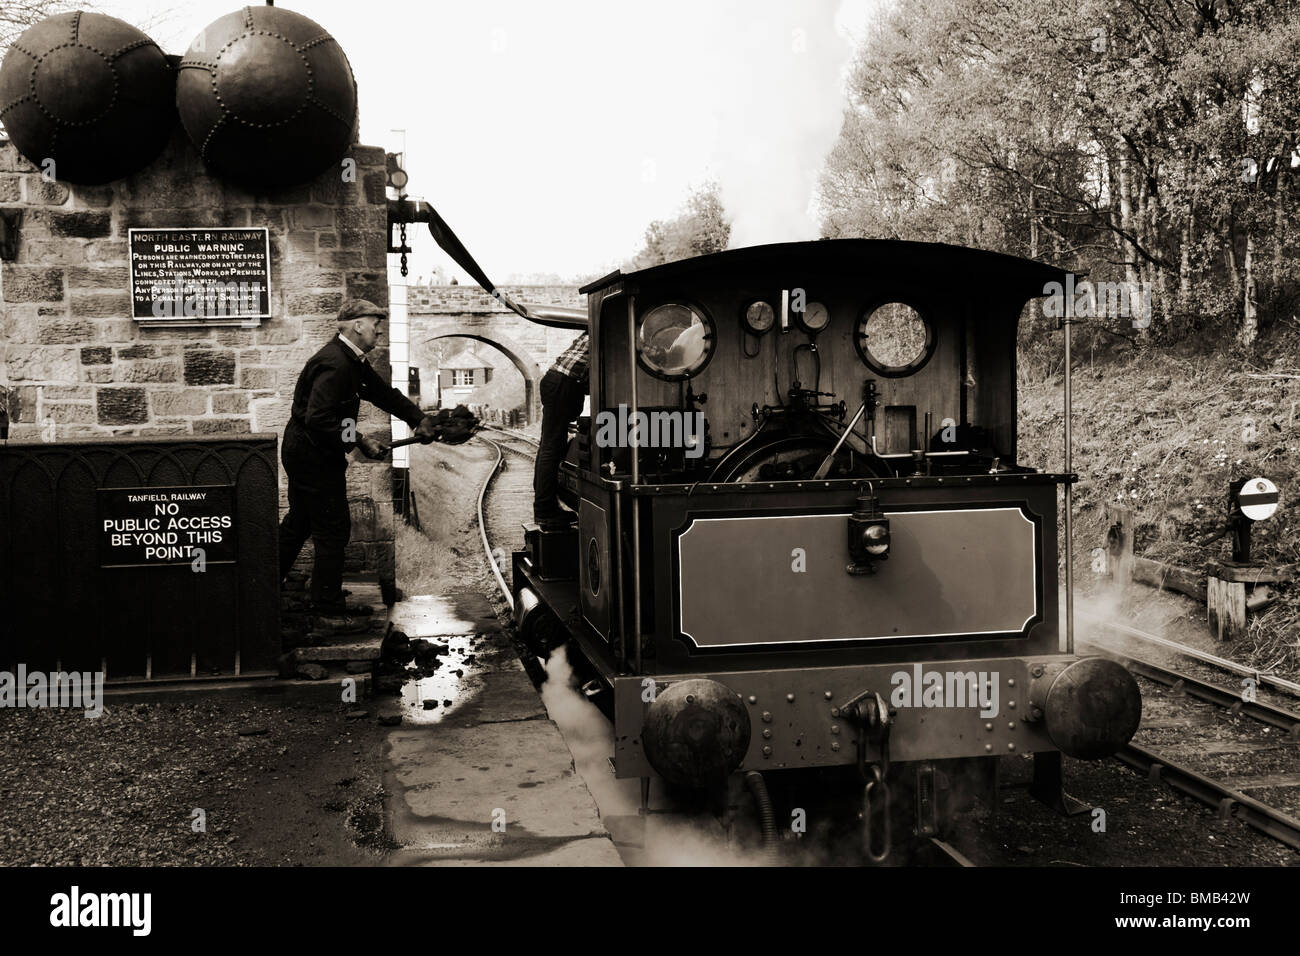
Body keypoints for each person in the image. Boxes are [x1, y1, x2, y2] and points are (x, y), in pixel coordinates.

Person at [278, 299, 438, 614]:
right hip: (311, 455)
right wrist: (361, 441)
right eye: (374, 322)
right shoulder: (336, 364)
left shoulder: (352, 361)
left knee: (300, 522)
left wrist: (418, 418)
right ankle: (326, 604)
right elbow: (318, 418)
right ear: (357, 325)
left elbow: (383, 394)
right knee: (333, 527)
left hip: (310, 451)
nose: (379, 329)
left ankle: (266, 582)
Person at [533, 331, 588, 529]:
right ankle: (545, 509)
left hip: (558, 381)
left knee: (548, 447)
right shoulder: (615, 327)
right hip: (563, 383)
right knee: (551, 448)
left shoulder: (600, 322)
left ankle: (545, 503)